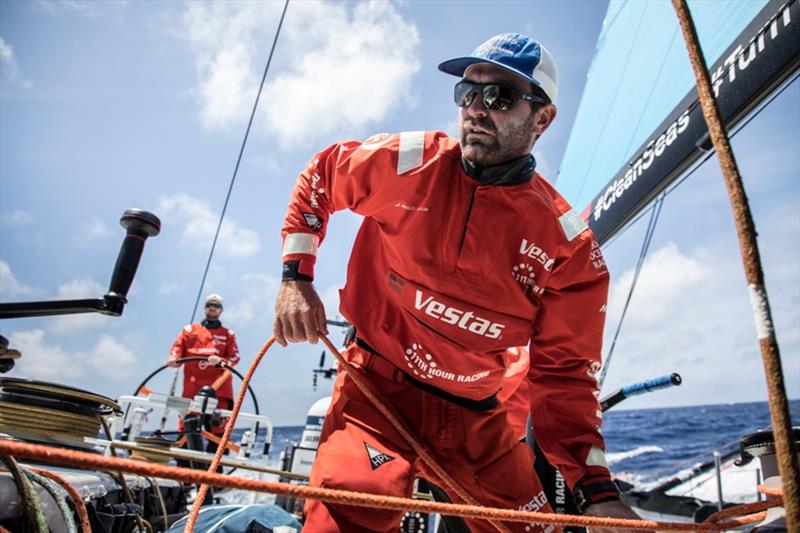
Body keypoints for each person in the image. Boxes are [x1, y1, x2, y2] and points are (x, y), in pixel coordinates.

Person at [273, 33, 645, 533]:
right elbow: (321, 177)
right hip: (376, 392)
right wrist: (296, 278)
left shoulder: (568, 249)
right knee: (347, 512)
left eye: (499, 97)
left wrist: (598, 493)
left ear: (543, 119)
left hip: (475, 418)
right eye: (467, 94)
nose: (475, 109)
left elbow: (565, 377)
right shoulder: (408, 163)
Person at [167, 293, 240, 449]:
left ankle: (214, 471)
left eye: (216, 306)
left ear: (221, 310)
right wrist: (174, 358)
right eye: (209, 305)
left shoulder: (228, 334)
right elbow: (177, 347)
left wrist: (222, 362)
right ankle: (183, 470)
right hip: (192, 392)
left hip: (219, 393)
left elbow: (235, 358)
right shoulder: (189, 330)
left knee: (218, 436)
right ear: (204, 308)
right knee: (186, 431)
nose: (212, 308)